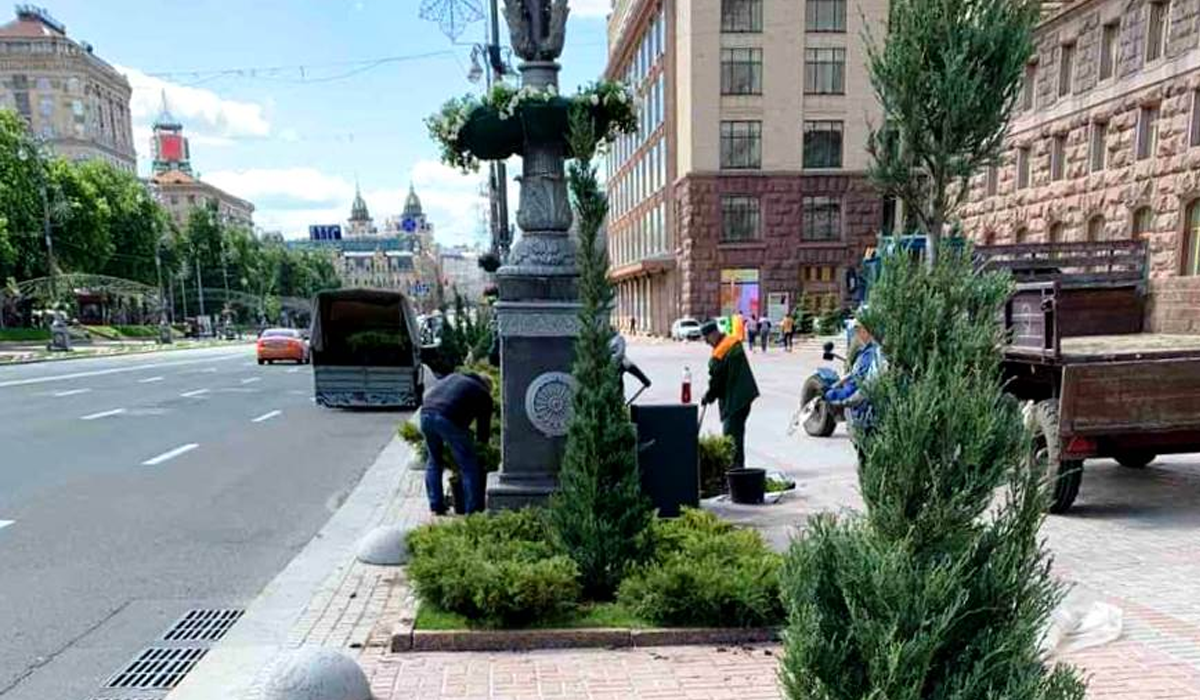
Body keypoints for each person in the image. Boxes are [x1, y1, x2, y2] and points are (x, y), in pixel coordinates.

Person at [420, 371, 493, 515]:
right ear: (487, 386)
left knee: (434, 460)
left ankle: (436, 505)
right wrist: (481, 451)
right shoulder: (483, 394)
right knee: (469, 465)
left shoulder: (455, 377)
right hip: (447, 418)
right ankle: (473, 510)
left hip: (425, 413)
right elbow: (483, 431)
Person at [700, 320, 760, 470]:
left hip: (735, 400)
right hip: (745, 396)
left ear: (713, 334)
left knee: (730, 437)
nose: (707, 343)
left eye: (707, 338)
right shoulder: (733, 342)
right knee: (737, 436)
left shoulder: (719, 353)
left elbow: (716, 383)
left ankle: (735, 471)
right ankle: (738, 468)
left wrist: (708, 396)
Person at [824, 320, 885, 437]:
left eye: (859, 331)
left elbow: (866, 386)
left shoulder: (875, 354)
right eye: (856, 331)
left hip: (865, 407)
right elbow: (853, 373)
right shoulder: (868, 351)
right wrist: (836, 384)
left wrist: (840, 398)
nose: (858, 334)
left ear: (866, 331)